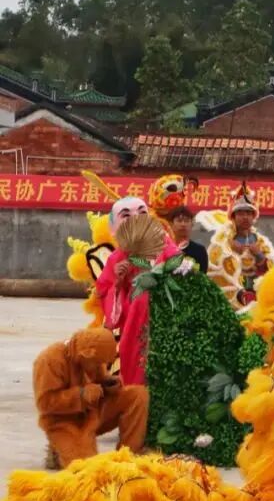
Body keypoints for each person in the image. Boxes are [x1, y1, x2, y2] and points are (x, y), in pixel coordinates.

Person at [34, 326, 148, 467]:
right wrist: (81, 394)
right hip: (64, 422)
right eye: (98, 363)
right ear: (86, 354)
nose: (101, 366)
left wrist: (107, 382)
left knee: (137, 395)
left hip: (92, 412)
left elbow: (97, 378)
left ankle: (129, 454)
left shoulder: (91, 358)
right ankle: (58, 450)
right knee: (87, 469)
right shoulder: (50, 360)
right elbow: (45, 404)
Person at [95, 196, 177, 385]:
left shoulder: (165, 246)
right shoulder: (116, 258)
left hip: (166, 319)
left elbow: (181, 270)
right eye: (126, 215)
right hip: (134, 325)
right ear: (115, 227)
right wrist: (118, 282)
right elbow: (104, 291)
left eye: (142, 212)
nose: (136, 218)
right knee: (135, 370)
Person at [203, 184, 274, 308]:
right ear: (233, 216)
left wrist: (258, 255)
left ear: (254, 216)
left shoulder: (261, 241)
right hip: (229, 297)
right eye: (241, 213)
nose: (245, 217)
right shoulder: (223, 241)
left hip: (255, 296)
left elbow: (271, 272)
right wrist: (231, 253)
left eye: (248, 213)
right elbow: (213, 267)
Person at [162, 205, 209, 273]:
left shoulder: (200, 250)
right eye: (179, 220)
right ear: (171, 224)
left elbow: (203, 275)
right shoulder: (164, 249)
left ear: (192, 224)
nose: (183, 224)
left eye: (186, 221)